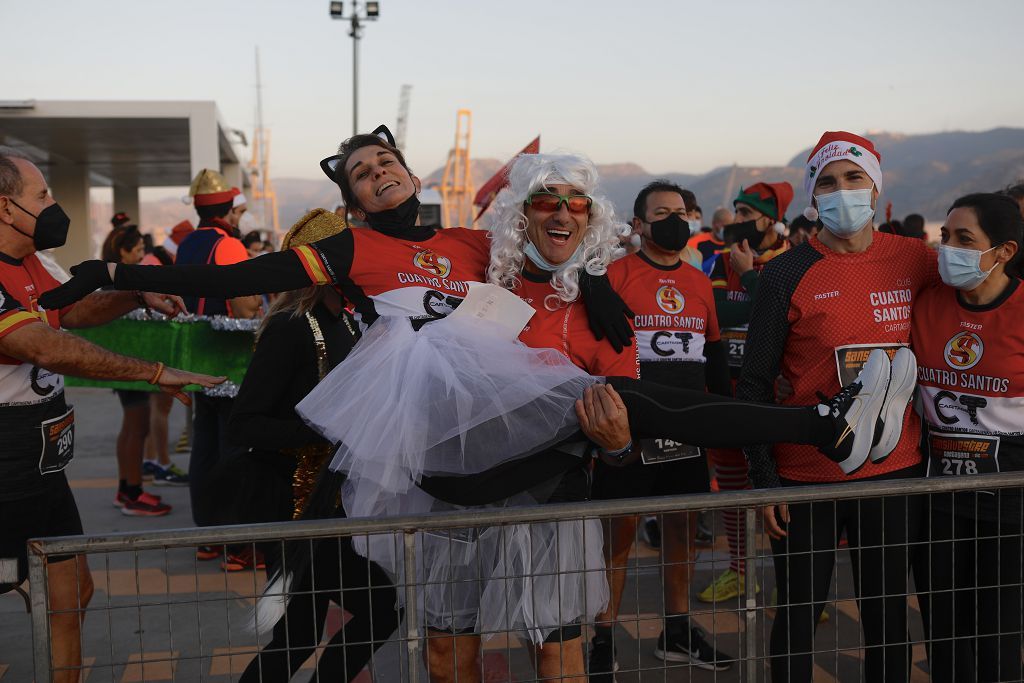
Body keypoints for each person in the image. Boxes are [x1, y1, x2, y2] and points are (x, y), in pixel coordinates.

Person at [43, 135, 898, 681]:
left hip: (498, 400)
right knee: (445, 582)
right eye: (361, 173)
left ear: (411, 172)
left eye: (387, 162)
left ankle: (822, 422)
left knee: (640, 402)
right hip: (418, 416)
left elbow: (558, 237)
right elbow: (230, 281)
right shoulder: (355, 249)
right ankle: (818, 421)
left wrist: (598, 282)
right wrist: (117, 274)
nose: (379, 176)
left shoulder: (469, 241)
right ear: (349, 197)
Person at [0, 147, 223, 683]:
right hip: (4, 461)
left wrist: (133, 292)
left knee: (70, 594)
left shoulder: (31, 261)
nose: (54, 204)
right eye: (42, 196)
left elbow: (66, 311)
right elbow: (45, 346)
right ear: (6, 208)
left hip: (44, 460)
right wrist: (153, 372)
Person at [739, 131, 939, 683]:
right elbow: (754, 383)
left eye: (853, 178)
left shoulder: (915, 259)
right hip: (808, 476)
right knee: (799, 615)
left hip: (894, 472)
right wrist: (763, 479)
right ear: (813, 195)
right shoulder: (785, 273)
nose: (841, 191)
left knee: (887, 615)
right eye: (827, 182)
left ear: (875, 187)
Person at [230, 209, 398, 682]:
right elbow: (242, 424)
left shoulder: (345, 321)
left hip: (329, 503)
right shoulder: (289, 327)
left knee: (302, 632)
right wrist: (323, 429)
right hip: (292, 504)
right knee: (375, 609)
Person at [589, 180, 734, 678]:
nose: (674, 219)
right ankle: (602, 637)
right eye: (661, 212)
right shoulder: (616, 274)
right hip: (630, 429)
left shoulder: (698, 281)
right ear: (638, 225)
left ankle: (676, 629)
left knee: (682, 529)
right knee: (620, 533)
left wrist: (725, 420)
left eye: (680, 211)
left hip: (689, 428)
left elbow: (713, 354)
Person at [911, 192, 1024, 683]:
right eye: (944, 236)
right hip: (936, 500)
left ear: (1004, 251)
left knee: (997, 633)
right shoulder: (927, 302)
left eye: (964, 239)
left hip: (1008, 505)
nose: (947, 248)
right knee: (943, 630)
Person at [697, 182, 793, 607]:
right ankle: (741, 572)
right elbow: (716, 313)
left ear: (769, 220)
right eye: (735, 212)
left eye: (745, 213)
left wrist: (752, 276)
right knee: (733, 489)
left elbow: (783, 317)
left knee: (783, 494)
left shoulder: (793, 261)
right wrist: (755, 295)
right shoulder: (720, 260)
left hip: (778, 397)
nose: (737, 221)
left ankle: (798, 586)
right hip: (728, 391)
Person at [174, 169, 262, 566]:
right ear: (227, 211)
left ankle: (209, 535)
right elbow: (244, 305)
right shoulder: (228, 245)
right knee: (234, 448)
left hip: (197, 359)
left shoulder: (187, 244)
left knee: (204, 448)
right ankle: (237, 540)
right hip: (229, 361)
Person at [102, 225, 172, 515]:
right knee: (137, 426)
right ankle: (132, 493)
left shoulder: (115, 280)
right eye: (139, 251)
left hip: (126, 363)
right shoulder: (119, 285)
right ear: (123, 252)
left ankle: (126, 489)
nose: (144, 256)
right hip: (128, 364)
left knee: (131, 427)